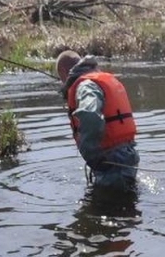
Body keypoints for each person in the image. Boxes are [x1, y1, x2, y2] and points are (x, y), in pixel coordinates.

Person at [56, 51, 140, 191]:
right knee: (126, 206)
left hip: (111, 161)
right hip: (126, 155)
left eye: (60, 78)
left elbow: (90, 116)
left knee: (108, 208)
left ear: (64, 71)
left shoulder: (85, 86)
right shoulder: (99, 79)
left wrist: (91, 155)